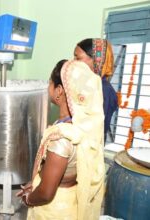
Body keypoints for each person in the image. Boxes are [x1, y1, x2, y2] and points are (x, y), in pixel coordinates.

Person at [17, 60, 105, 219]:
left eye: (50, 83)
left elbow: (46, 194)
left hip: (54, 210)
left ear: (58, 91)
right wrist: (35, 183)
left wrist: (29, 199)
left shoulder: (62, 139)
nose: (48, 87)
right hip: (72, 202)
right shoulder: (86, 126)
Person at [74, 38, 118, 140]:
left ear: (96, 60)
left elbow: (95, 132)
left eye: (78, 58)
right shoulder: (89, 86)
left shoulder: (104, 91)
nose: (73, 62)